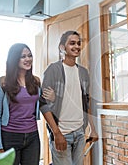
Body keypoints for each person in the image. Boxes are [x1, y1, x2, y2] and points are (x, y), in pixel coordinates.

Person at [39, 30, 98, 165]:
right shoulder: (53, 70)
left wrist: (93, 129)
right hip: (62, 132)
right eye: (72, 43)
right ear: (62, 47)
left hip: (80, 132)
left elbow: (85, 102)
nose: (77, 46)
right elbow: (43, 104)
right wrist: (56, 133)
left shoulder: (83, 72)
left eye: (78, 43)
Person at [0, 43, 41, 165]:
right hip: (9, 136)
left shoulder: (36, 81)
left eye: (29, 55)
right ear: (14, 59)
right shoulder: (2, 83)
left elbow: (43, 105)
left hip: (32, 136)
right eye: (23, 56)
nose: (28, 59)